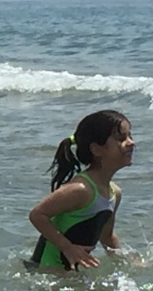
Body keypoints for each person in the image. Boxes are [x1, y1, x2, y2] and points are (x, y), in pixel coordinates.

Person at [27, 110, 134, 270]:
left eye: (130, 136)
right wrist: (67, 247)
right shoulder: (80, 190)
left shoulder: (114, 193)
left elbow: (106, 236)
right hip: (44, 270)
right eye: (121, 138)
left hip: (70, 272)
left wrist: (127, 263)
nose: (131, 142)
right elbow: (37, 214)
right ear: (97, 149)